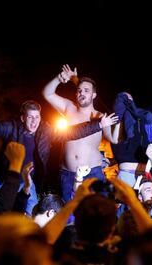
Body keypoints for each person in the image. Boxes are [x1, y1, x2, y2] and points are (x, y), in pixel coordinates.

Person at [0, 100, 118, 215]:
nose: (34, 122)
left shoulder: (46, 130)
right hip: (7, 178)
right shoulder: (12, 128)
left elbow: (72, 132)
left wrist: (99, 125)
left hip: (29, 182)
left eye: (37, 117)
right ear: (23, 118)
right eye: (30, 117)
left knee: (31, 212)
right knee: (1, 212)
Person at [42, 64, 120, 202]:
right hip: (68, 174)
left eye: (86, 90)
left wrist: (119, 120)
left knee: (97, 212)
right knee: (70, 214)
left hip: (93, 173)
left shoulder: (100, 116)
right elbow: (47, 93)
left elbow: (113, 139)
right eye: (79, 90)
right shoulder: (68, 107)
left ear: (93, 95)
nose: (81, 93)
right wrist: (59, 79)